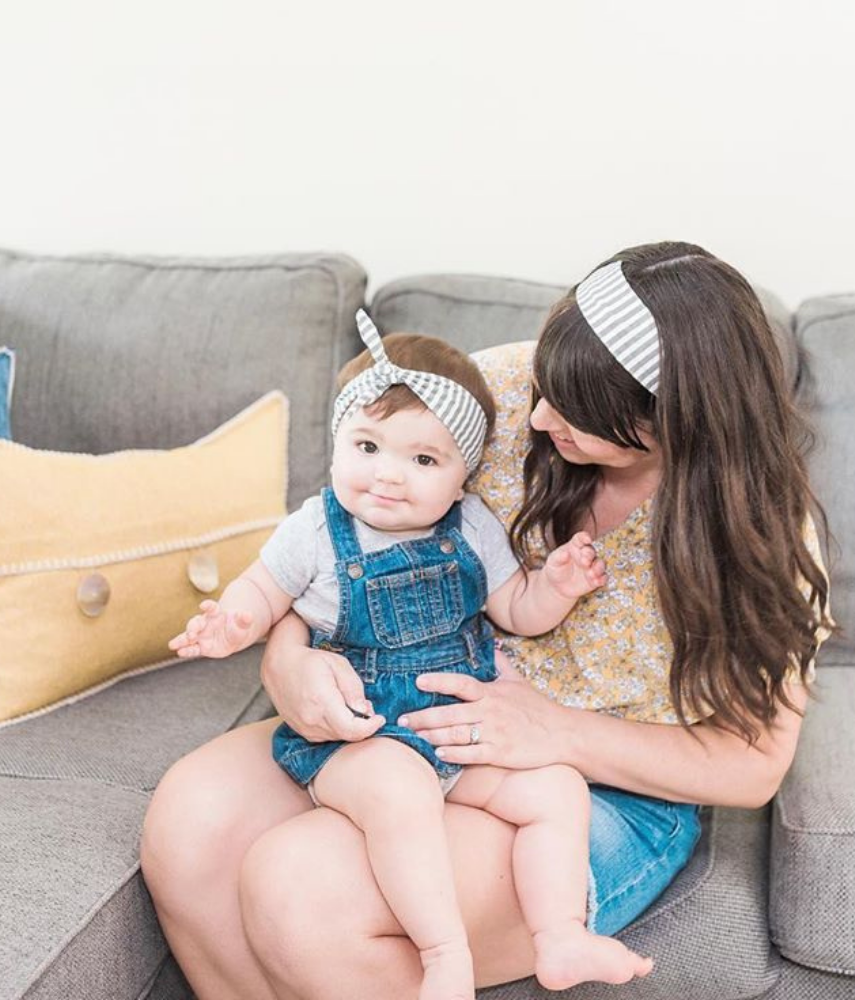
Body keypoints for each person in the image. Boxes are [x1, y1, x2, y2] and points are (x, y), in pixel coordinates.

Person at [141, 241, 835, 1000]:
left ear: (671, 423)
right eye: (546, 385)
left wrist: (554, 732)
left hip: (595, 787)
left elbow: (754, 765)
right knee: (190, 824)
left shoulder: (760, 533)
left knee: (300, 893)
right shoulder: (493, 394)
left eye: (576, 416)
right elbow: (328, 539)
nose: (537, 416)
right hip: (406, 707)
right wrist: (289, 660)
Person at [166, 313, 652, 999]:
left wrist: (559, 586)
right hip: (361, 738)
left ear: (462, 479)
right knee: (401, 794)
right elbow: (263, 592)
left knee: (556, 790)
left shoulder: (473, 526)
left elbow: (516, 609)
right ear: (335, 444)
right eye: (367, 446)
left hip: (462, 735)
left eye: (423, 461)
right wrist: (234, 624)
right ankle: (443, 951)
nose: (388, 476)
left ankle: (561, 935)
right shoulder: (314, 530)